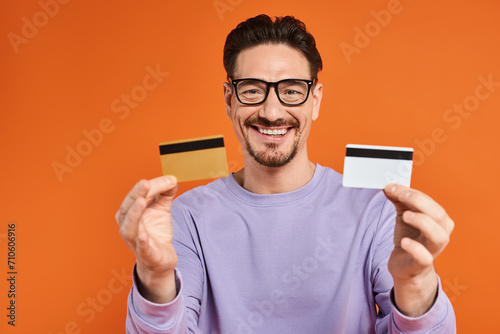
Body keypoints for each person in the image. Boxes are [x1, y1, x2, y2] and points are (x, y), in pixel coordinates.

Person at [116, 14, 456, 333]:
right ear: (228, 99)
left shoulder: (375, 209)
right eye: (252, 89)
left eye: (292, 90)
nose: (272, 111)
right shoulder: (187, 215)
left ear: (316, 100)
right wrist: (156, 277)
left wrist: (416, 284)